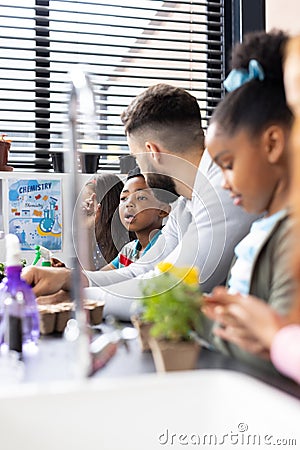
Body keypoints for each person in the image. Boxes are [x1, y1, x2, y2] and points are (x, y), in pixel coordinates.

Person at [22, 84, 258, 319]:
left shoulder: (224, 189)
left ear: (152, 151)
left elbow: (170, 289)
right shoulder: (185, 204)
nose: (141, 172)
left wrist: (78, 299)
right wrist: (70, 279)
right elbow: (144, 269)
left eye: (137, 158)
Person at [201, 34, 300, 384]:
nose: (224, 182)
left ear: (273, 143)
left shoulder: (292, 235)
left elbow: (276, 346)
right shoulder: (261, 230)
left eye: (228, 164)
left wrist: (197, 318)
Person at [101, 173, 170, 270]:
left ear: (163, 210)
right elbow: (99, 277)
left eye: (141, 197)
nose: (129, 203)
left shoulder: (166, 247)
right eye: (124, 198)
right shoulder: (128, 250)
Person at [76, 173, 128, 270]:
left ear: (106, 204)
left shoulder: (127, 243)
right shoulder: (92, 235)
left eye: (90, 202)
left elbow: (94, 278)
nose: (85, 208)